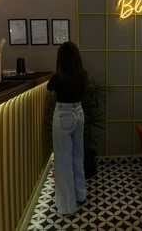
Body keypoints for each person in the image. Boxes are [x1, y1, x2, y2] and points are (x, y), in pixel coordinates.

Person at [47, 41, 88, 215]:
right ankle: (80, 195)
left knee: (63, 162)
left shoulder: (58, 77)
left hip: (63, 115)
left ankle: (66, 206)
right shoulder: (82, 75)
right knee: (78, 156)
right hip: (79, 113)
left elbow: (49, 87)